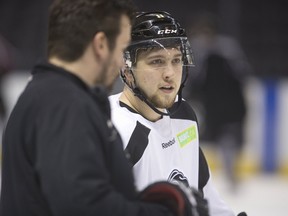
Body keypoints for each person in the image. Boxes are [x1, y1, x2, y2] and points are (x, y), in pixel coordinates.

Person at [0, 1, 202, 216]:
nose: (122, 63)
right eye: (123, 47)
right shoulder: (64, 105)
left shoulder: (49, 95)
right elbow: (82, 206)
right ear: (101, 45)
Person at [109, 11, 238, 216]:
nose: (170, 73)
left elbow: (205, 196)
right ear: (127, 69)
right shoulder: (112, 129)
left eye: (176, 60)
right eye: (157, 61)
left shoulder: (183, 115)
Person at [183, 12, 252, 191]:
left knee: (229, 139)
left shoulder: (224, 50)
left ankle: (229, 173)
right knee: (225, 139)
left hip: (227, 104)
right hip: (219, 105)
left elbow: (241, 75)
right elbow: (243, 74)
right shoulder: (224, 49)